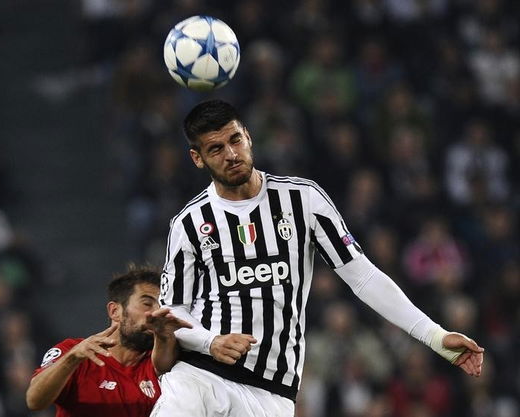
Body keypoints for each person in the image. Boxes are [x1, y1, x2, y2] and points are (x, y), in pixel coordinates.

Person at [152, 100, 484, 417]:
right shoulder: (190, 222)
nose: (231, 154)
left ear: (248, 136)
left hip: (271, 389)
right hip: (201, 374)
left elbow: (363, 277)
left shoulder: (303, 199)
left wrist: (435, 336)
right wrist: (210, 342)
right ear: (197, 158)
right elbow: (173, 311)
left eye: (235, 140)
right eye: (216, 149)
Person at [25, 266, 191, 417]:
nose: (155, 313)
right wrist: (72, 358)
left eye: (160, 306)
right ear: (115, 311)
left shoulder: (162, 364)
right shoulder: (74, 352)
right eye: (147, 303)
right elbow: (34, 401)